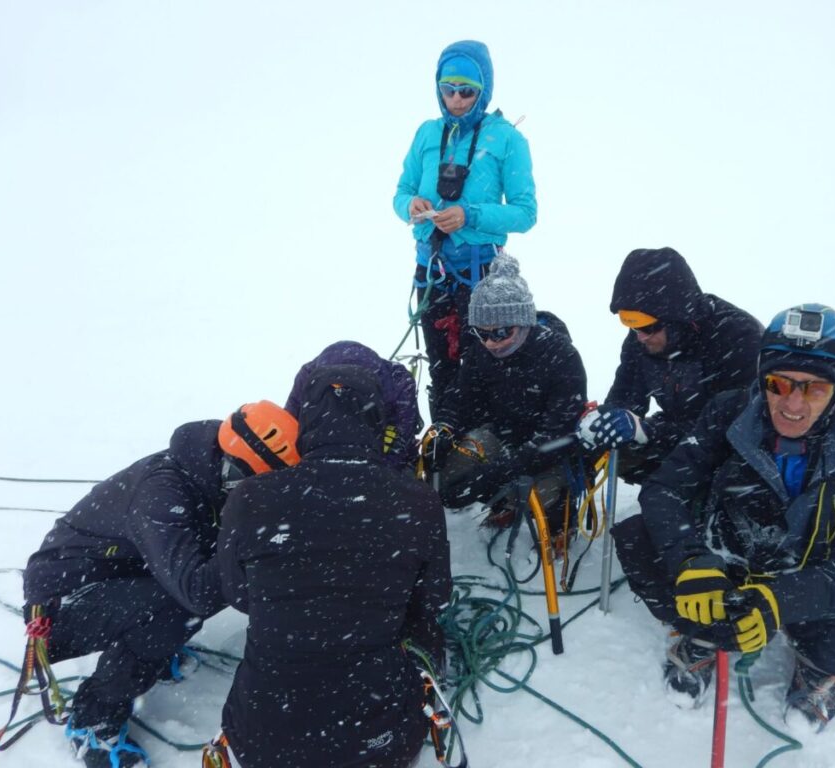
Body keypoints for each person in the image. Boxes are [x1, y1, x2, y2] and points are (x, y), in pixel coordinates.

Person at [613, 304, 835, 729]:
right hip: (729, 566)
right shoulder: (730, 413)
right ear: (762, 378)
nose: (793, 404)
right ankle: (706, 633)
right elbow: (665, 489)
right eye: (778, 384)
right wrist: (690, 559)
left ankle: (817, 659)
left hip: (810, 581)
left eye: (814, 389)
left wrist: (784, 600)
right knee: (637, 540)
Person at [22, 402, 300, 768]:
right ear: (236, 472)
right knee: (180, 607)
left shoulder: (209, 475)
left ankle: (147, 645)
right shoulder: (163, 495)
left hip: (123, 573)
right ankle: (93, 717)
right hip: (62, 605)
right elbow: (198, 591)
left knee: (185, 598)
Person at [217, 358, 452, 768]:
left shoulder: (250, 498)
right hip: (382, 737)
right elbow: (433, 596)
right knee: (421, 625)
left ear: (303, 422)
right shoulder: (417, 501)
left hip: (261, 736)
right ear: (378, 424)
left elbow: (239, 595)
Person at [393, 39, 537, 421]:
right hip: (432, 274)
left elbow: (525, 213)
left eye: (467, 91)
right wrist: (410, 205)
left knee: (486, 373)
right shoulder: (426, 134)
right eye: (448, 89)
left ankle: (483, 458)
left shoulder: (507, 138)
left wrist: (468, 215)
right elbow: (401, 193)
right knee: (442, 371)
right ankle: (443, 451)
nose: (456, 99)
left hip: (483, 278)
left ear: (484, 90)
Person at [426, 253, 586, 535]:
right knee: (446, 478)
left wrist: (498, 473)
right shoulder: (480, 353)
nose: (490, 342)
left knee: (545, 492)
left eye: (501, 332)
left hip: (549, 451)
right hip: (501, 436)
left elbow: (558, 434)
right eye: (481, 333)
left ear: (523, 322)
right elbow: (459, 399)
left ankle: (559, 524)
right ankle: (505, 504)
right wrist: (445, 428)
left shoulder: (561, 356)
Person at [578, 247, 764, 483]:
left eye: (646, 327)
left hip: (736, 451)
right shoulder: (643, 340)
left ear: (677, 319)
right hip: (678, 434)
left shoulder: (737, 337)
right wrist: (605, 420)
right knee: (621, 452)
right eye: (632, 326)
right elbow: (626, 397)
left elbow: (732, 424)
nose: (640, 336)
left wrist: (651, 431)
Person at [285, 340, 423, 470]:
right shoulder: (397, 380)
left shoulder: (307, 376)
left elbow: (287, 427)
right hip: (367, 448)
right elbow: (403, 437)